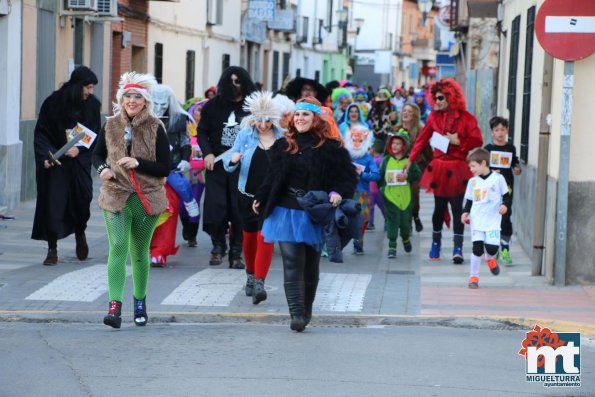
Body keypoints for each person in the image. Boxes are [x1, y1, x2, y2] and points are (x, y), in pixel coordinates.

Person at [253, 97, 357, 332]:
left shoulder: (332, 148)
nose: (300, 118)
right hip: (285, 209)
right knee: (291, 261)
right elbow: (272, 177)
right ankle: (297, 313)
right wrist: (260, 197)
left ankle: (306, 308)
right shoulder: (282, 145)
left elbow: (347, 177)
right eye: (297, 114)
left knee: (310, 265)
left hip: (314, 211)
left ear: (316, 119)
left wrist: (338, 192)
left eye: (305, 115)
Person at [92, 72, 170, 328]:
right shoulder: (110, 124)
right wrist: (103, 169)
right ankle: (114, 307)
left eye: (137, 96)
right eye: (128, 95)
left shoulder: (156, 126)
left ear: (146, 101)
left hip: (146, 197)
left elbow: (165, 168)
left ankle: (140, 302)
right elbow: (97, 156)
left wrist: (139, 163)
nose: (132, 100)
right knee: (118, 246)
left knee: (139, 252)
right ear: (121, 99)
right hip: (115, 194)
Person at [406, 78, 483, 263]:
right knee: (438, 208)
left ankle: (458, 248)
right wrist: (410, 161)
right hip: (439, 167)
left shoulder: (466, 118)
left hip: (457, 168)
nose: (437, 101)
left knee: (458, 208)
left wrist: (459, 142)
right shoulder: (433, 117)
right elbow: (421, 141)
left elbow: (477, 140)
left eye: (440, 98)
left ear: (451, 97)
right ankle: (435, 244)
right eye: (435, 98)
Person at [32, 66, 101, 265]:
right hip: (57, 162)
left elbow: (95, 134)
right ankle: (52, 249)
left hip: (79, 162)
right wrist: (46, 156)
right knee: (54, 203)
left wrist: (79, 150)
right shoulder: (53, 103)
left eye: (92, 88)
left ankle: (80, 232)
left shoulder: (93, 106)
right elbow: (41, 133)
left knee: (83, 198)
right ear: (77, 85)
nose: (90, 92)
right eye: (88, 87)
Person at [223, 91, 284, 304]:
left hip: (271, 197)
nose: (263, 124)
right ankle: (250, 275)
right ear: (253, 118)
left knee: (265, 236)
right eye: (259, 120)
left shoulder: (282, 138)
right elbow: (228, 166)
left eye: (267, 120)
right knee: (249, 237)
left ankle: (260, 282)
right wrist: (233, 160)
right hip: (246, 195)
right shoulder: (245, 136)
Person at [198, 66, 256, 268]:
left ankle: (236, 253)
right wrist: (208, 153)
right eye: (230, 81)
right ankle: (218, 246)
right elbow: (202, 132)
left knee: (239, 210)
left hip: (243, 168)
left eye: (238, 81)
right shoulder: (212, 106)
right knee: (216, 208)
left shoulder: (252, 108)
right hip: (217, 166)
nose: (234, 85)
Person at [149, 84, 197, 266]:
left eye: (163, 103)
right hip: (148, 173)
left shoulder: (179, 119)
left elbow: (185, 142)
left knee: (169, 211)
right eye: (156, 103)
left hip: (172, 169)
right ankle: (148, 248)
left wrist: (186, 159)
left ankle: (160, 251)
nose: (159, 107)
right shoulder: (141, 118)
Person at [461, 148, 511, 289]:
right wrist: (465, 213)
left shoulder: (498, 179)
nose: (471, 169)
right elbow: (470, 201)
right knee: (477, 249)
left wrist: (505, 206)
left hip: (493, 220)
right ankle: (473, 277)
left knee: (492, 248)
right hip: (477, 220)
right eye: (470, 167)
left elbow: (507, 196)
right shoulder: (472, 182)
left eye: (473, 166)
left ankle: (489, 258)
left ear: (483, 163)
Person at [483, 116, 521, 264]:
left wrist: (516, 168)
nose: (500, 132)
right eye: (497, 130)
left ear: (507, 131)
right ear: (492, 132)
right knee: (493, 217)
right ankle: (494, 247)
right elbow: (483, 168)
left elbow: (514, 162)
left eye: (503, 129)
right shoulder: (488, 149)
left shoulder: (510, 148)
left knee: (506, 216)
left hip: (507, 188)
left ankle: (505, 247)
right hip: (492, 189)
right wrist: (491, 171)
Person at [379, 131, 421, 258]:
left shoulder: (409, 161)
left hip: (406, 197)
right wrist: (381, 188)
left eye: (398, 143)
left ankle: (406, 238)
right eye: (393, 143)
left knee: (405, 223)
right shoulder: (386, 160)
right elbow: (380, 176)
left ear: (404, 146)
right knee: (392, 221)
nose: (395, 146)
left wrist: (407, 176)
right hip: (390, 197)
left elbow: (417, 174)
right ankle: (392, 246)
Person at [396, 103, 433, 232]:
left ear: (415, 115)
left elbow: (427, 150)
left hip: (416, 166)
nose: (405, 113)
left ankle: (415, 215)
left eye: (409, 112)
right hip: (399, 166)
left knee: (413, 192)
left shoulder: (420, 130)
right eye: (404, 111)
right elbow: (388, 149)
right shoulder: (396, 129)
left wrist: (433, 165)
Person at [344, 124, 379, 254]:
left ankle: (358, 241)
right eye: (354, 139)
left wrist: (362, 174)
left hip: (363, 192)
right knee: (344, 217)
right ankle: (340, 241)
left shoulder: (368, 158)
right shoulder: (346, 155)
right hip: (347, 191)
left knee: (362, 218)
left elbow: (376, 176)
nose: (357, 143)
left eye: (360, 140)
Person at [181, 99, 208, 248]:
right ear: (192, 111)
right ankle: (186, 226)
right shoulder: (185, 128)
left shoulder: (208, 130)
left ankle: (192, 235)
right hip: (184, 172)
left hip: (200, 173)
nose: (201, 112)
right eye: (198, 109)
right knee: (182, 205)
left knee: (195, 202)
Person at [367, 139, 386, 231]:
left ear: (374, 149)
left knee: (382, 206)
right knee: (371, 206)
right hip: (372, 188)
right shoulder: (373, 159)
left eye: (370, 148)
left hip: (377, 188)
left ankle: (387, 221)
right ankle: (370, 222)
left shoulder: (379, 160)